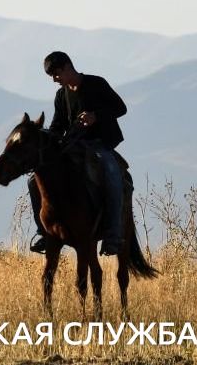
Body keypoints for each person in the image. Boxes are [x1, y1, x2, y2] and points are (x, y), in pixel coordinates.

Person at [28, 51, 128, 256]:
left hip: (100, 144)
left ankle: (113, 234)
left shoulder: (96, 84)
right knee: (33, 180)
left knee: (112, 174)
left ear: (67, 67)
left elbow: (120, 108)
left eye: (56, 74)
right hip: (73, 146)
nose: (55, 80)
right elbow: (58, 126)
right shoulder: (61, 95)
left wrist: (96, 116)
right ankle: (44, 233)